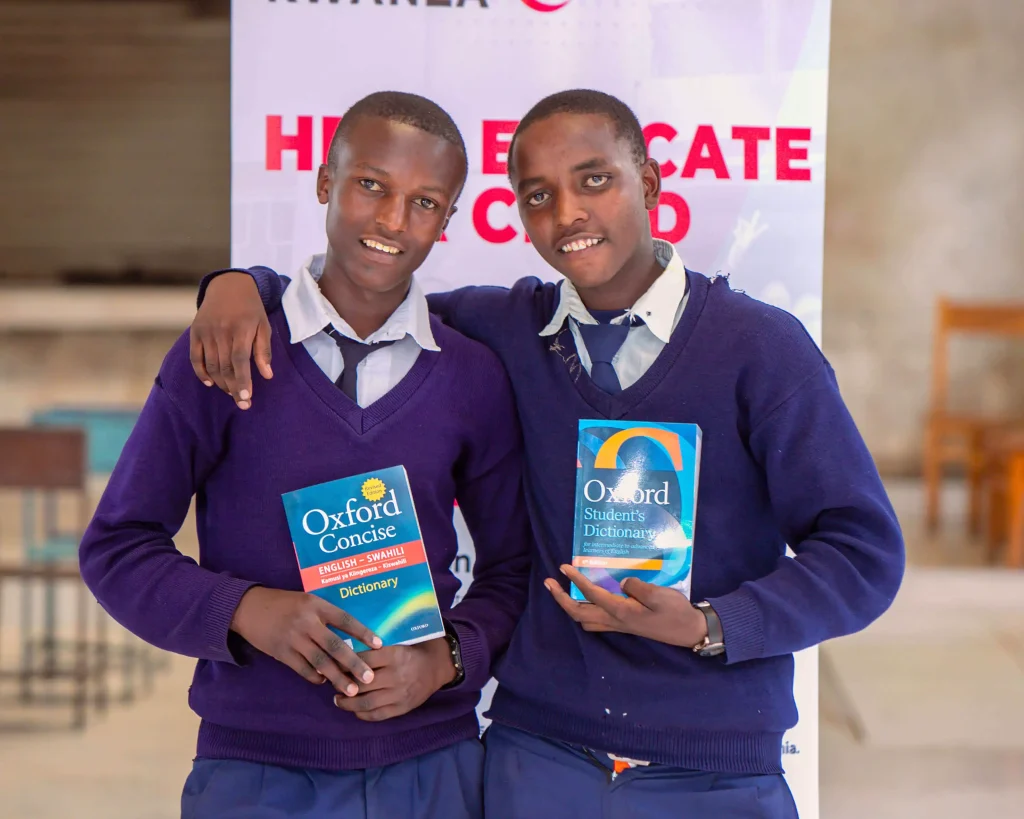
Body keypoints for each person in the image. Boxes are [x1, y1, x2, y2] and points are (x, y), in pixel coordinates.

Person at [187, 89, 905, 818]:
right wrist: (242, 286)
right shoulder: (504, 329)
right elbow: (362, 288)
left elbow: (864, 553)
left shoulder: (762, 350)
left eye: (595, 179)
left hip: (717, 769)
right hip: (539, 759)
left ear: (650, 183)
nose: (567, 215)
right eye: (538, 196)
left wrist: (710, 624)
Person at [79, 91, 532, 819]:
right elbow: (117, 548)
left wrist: (447, 660)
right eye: (370, 185)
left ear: (449, 222)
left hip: (434, 767)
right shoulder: (224, 353)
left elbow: (513, 570)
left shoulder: (472, 375)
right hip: (255, 771)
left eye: (424, 202)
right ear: (326, 181)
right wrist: (247, 608)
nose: (391, 221)